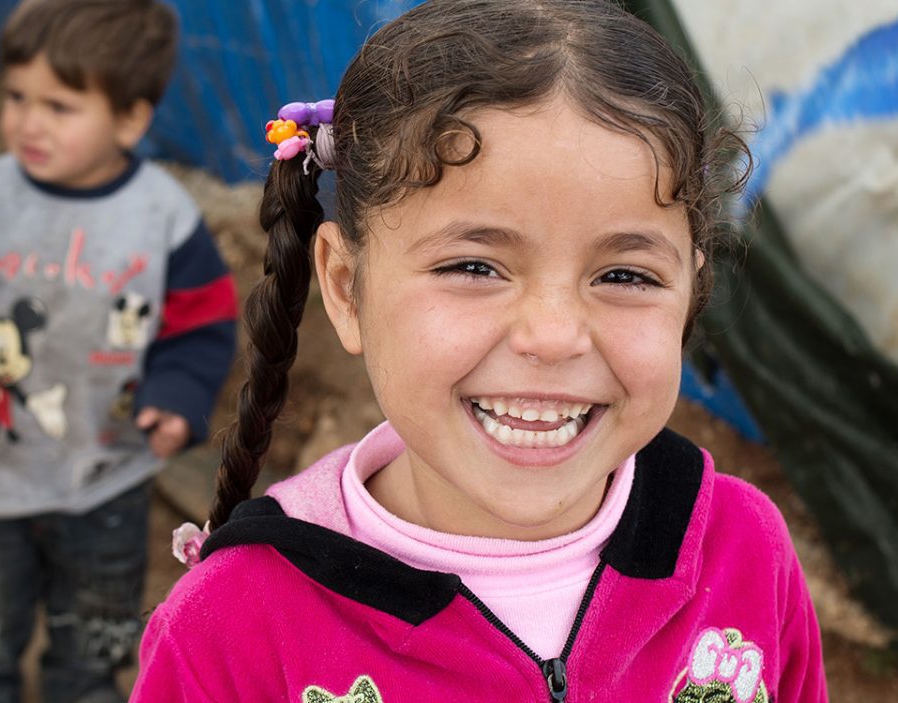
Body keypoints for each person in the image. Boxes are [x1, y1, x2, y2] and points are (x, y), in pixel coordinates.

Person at [133, 1, 828, 700]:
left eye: (625, 275)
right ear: (346, 288)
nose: (553, 336)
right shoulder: (228, 630)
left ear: (690, 292)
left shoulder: (743, 550)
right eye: (473, 267)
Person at [0, 0, 236, 700]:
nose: (27, 122)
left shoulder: (162, 217)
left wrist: (177, 397)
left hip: (108, 480)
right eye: (16, 97)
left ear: (130, 118)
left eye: (60, 106)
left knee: (91, 655)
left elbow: (203, 323)